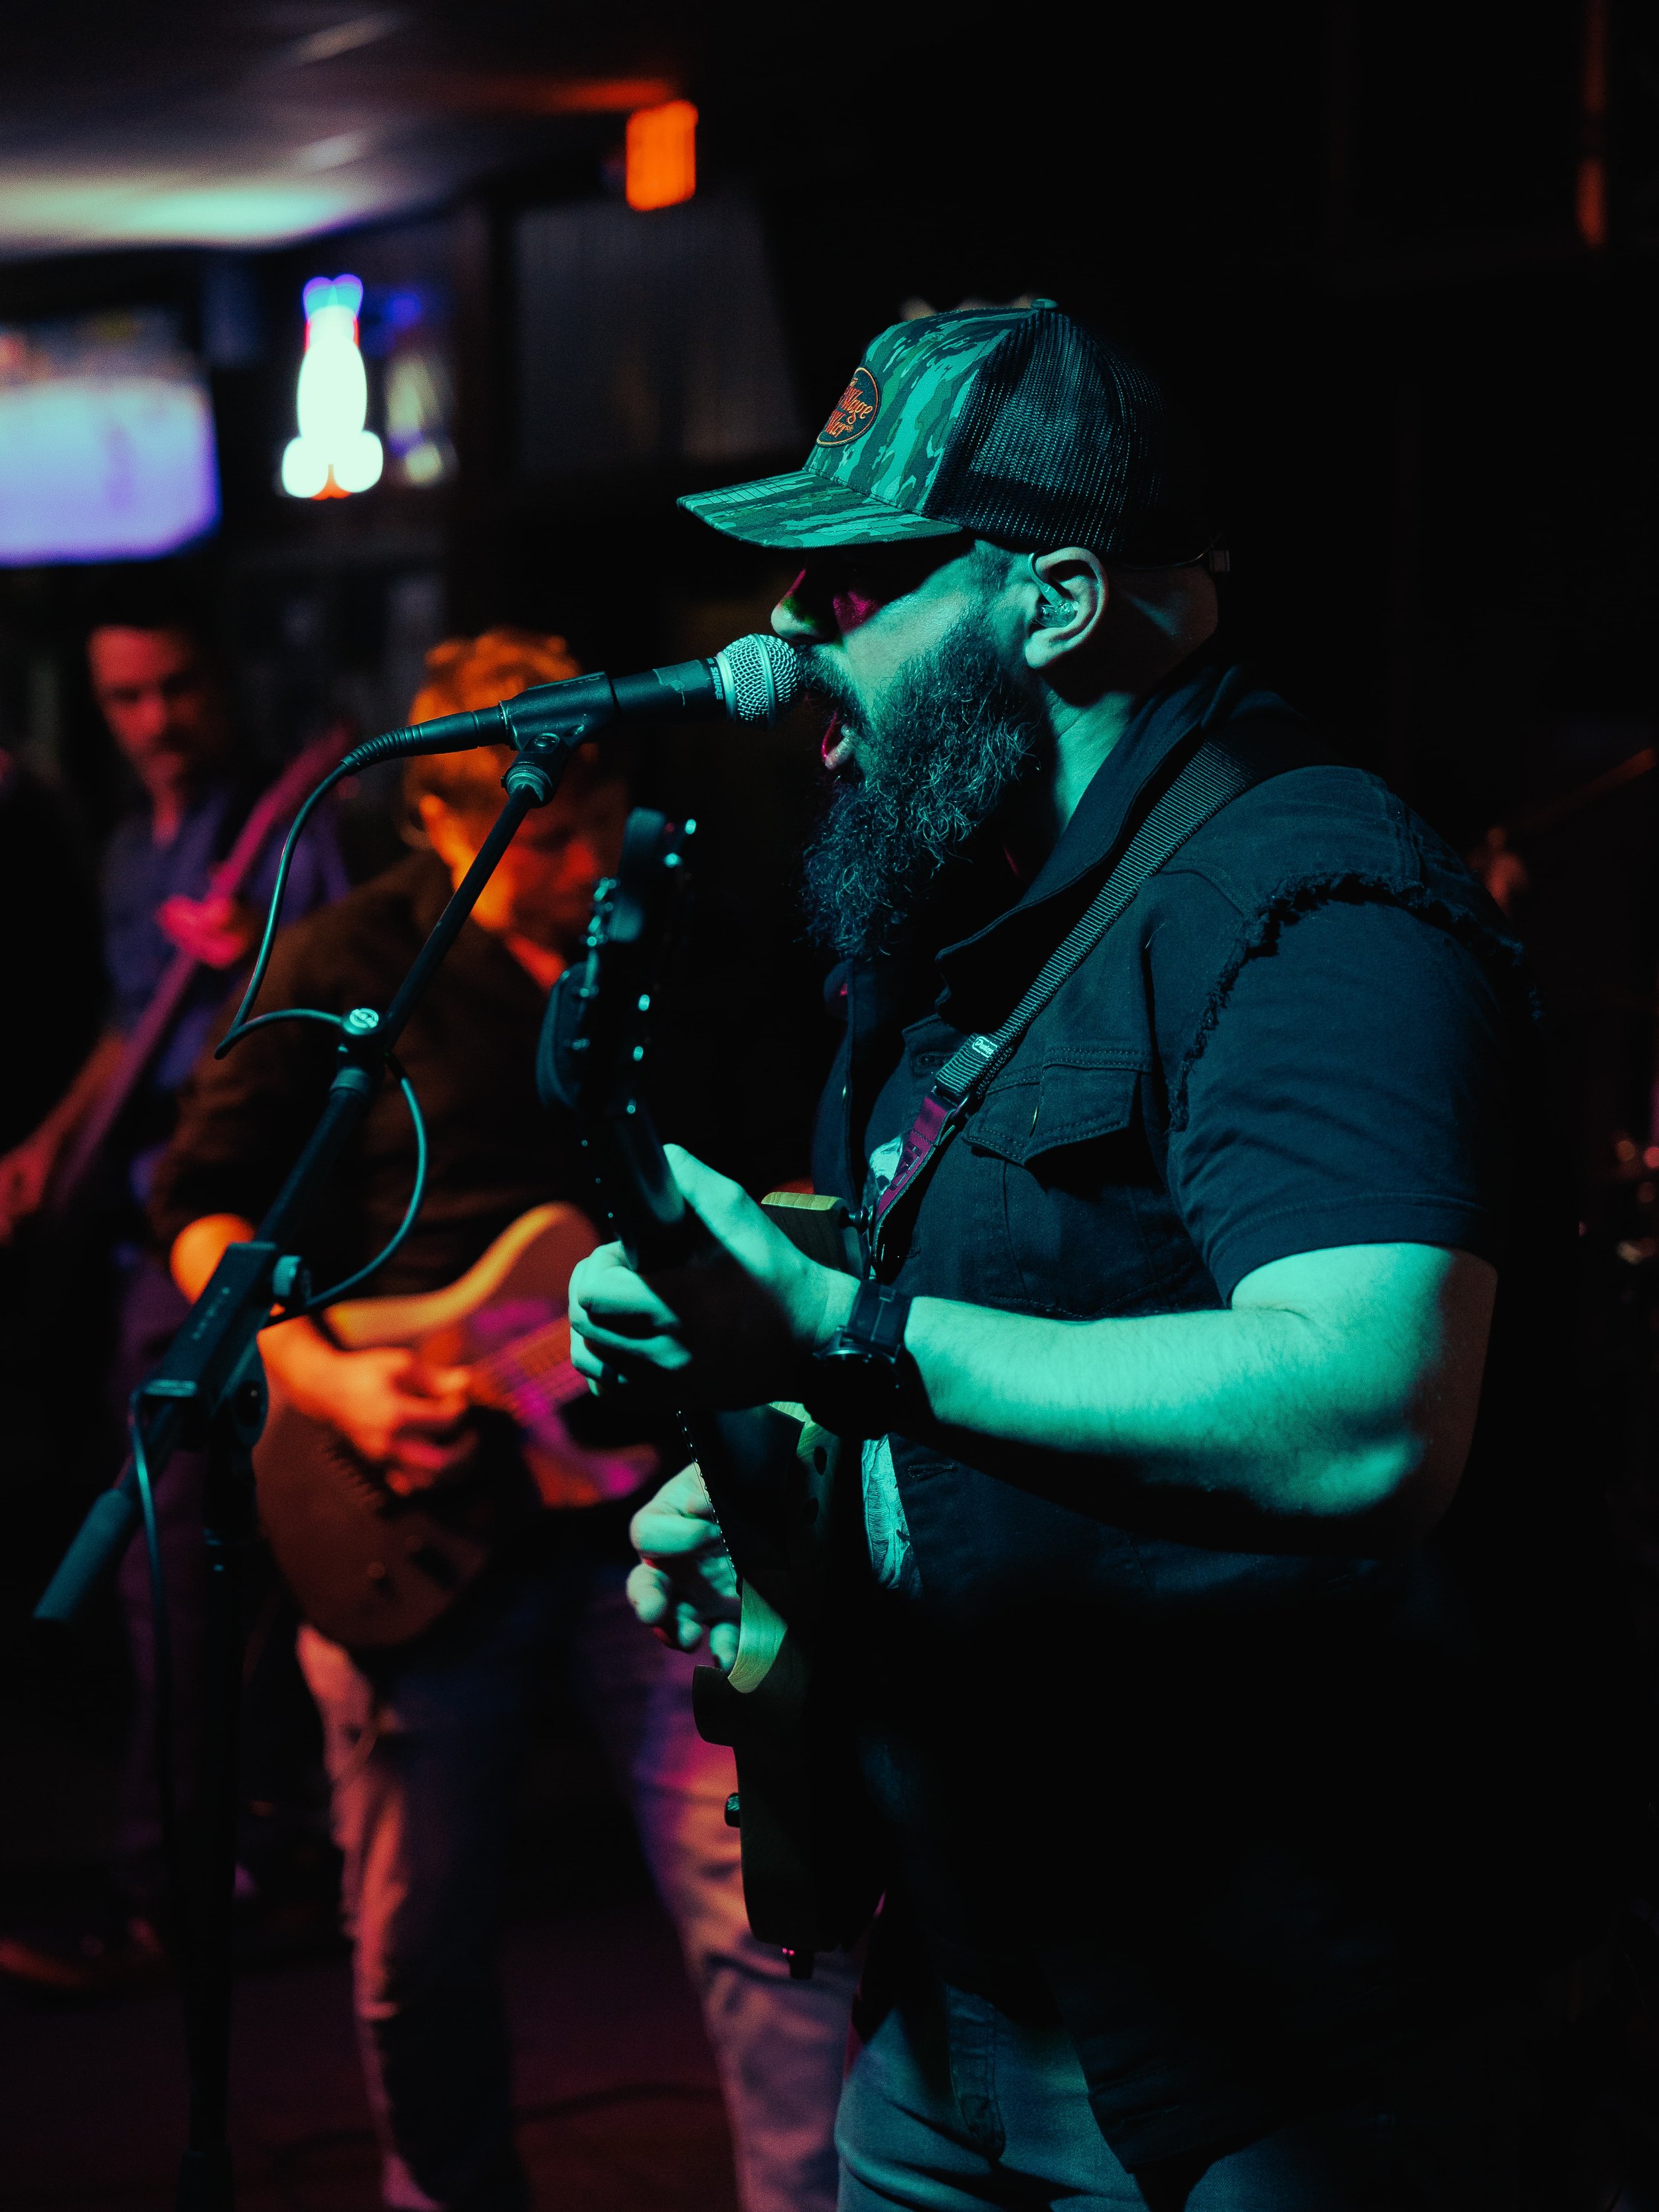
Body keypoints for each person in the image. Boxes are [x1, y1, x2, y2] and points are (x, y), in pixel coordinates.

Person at [569, 305, 1614, 2209]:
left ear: (1052, 600)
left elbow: (1368, 1406)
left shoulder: (1305, 906)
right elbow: (986, 1363)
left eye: (854, 585)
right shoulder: (952, 930)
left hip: (1283, 2025)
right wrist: (781, 1484)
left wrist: (834, 1331)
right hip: (969, 1979)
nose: (786, 642)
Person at [151, 629, 856, 2212]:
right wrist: (327, 1377)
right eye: (534, 831)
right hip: (411, 1501)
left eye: (592, 814)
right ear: (443, 826)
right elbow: (202, 1206)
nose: (577, 854)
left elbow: (797, 1199)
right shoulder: (349, 963)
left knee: (771, 1925)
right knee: (415, 1950)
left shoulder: (704, 948)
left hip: (661, 1504)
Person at [0, 597, 346, 1994]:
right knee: (176, 1576)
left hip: (223, 1262)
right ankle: (227, 1861)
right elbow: (116, 1025)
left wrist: (230, 975)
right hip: (136, 1255)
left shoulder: (283, 833)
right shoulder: (135, 846)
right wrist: (47, 1144)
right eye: (127, 698)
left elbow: (304, 1045)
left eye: (177, 689)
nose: (156, 722)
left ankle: (182, 1885)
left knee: (183, 1581)